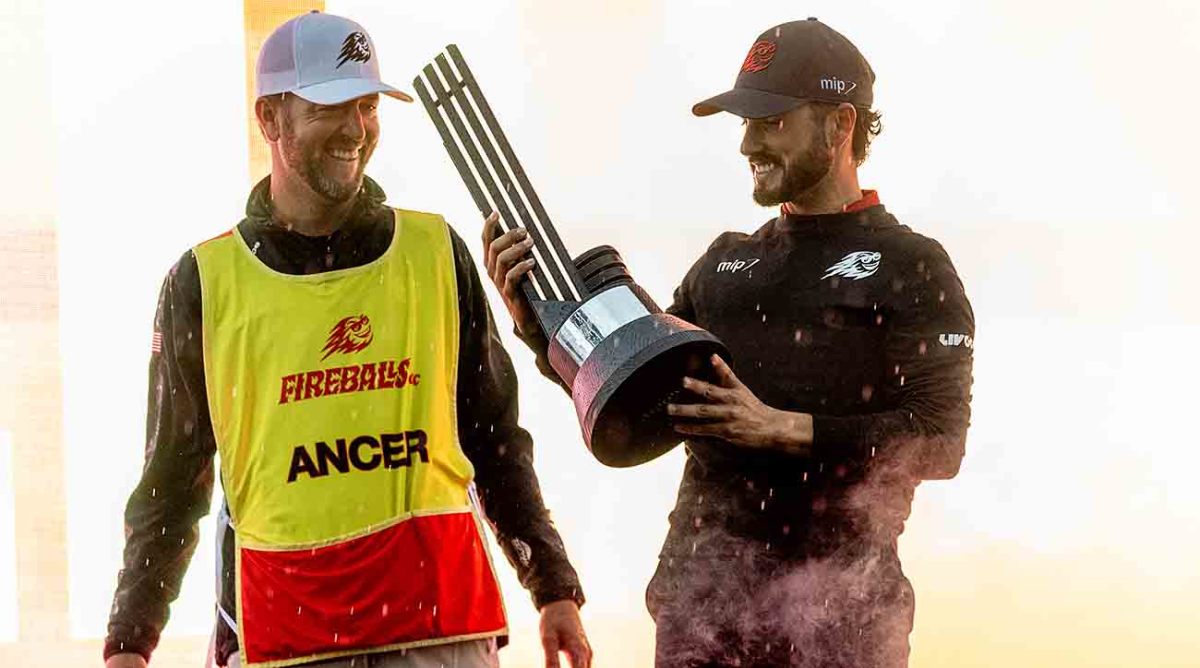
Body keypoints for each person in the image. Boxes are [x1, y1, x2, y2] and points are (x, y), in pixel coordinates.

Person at [103, 11, 591, 668]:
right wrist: (130, 642)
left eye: (367, 105)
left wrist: (553, 588)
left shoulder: (435, 252)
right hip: (284, 636)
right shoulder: (202, 281)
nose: (356, 129)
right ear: (271, 119)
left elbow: (496, 439)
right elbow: (170, 481)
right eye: (331, 106)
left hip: (440, 630)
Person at [483, 18, 974, 668]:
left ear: (840, 124)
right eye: (745, 122)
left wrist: (784, 429)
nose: (748, 141)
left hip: (842, 626)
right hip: (701, 619)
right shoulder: (724, 264)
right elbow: (634, 398)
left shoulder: (910, 264)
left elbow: (941, 443)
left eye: (772, 121)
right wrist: (535, 322)